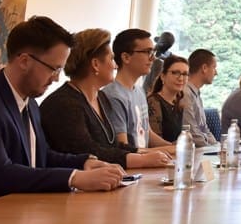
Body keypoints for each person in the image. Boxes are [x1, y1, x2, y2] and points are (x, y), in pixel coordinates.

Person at [0, 16, 123, 214]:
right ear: (25, 61)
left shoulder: (30, 102)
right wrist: (74, 178)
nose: (55, 79)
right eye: (54, 69)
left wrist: (84, 162)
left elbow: (40, 156)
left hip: (11, 211)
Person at [40, 28, 172, 169]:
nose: (115, 65)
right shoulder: (64, 104)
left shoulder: (100, 97)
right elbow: (88, 152)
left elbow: (112, 146)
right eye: (111, 59)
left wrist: (147, 153)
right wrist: (142, 160)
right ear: (96, 64)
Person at [100, 29, 173, 150]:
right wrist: (168, 150)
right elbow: (123, 149)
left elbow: (147, 133)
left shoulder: (139, 91)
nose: (153, 58)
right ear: (126, 57)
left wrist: (175, 147)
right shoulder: (113, 96)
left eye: (153, 52)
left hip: (145, 159)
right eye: (148, 52)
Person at [147, 55, 189, 143]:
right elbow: (152, 141)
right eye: (175, 73)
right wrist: (175, 148)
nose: (181, 78)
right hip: (160, 151)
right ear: (163, 76)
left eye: (185, 74)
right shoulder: (153, 101)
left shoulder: (179, 102)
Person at [183, 48, 218, 146]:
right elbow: (192, 134)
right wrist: (211, 149)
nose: (216, 73)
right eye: (214, 67)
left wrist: (217, 146)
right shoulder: (185, 93)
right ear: (204, 68)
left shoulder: (196, 93)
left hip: (201, 148)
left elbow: (204, 129)